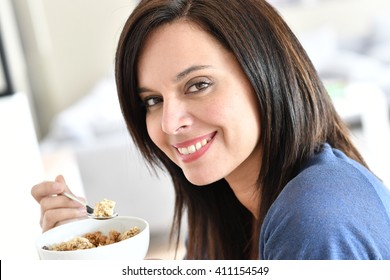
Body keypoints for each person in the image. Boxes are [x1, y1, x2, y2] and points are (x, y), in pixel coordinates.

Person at [31, 0, 390, 260]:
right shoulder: (226, 208)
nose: (170, 123)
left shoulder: (314, 218)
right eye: (152, 101)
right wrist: (94, 254)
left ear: (266, 73)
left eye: (198, 84)